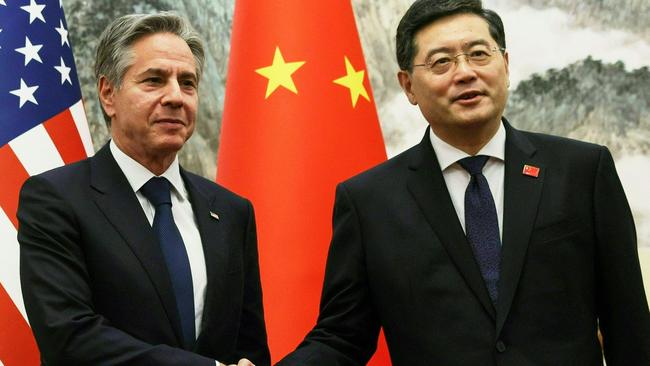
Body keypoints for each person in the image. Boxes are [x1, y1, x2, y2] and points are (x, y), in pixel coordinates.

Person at [278, 0, 650, 364]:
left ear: (505, 64)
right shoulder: (369, 201)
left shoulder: (582, 170)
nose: (465, 72)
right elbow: (342, 337)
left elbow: (628, 323)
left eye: (478, 54)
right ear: (408, 86)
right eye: (441, 62)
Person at [18, 12, 269, 366]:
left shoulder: (230, 211)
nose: (175, 97)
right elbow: (69, 336)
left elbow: (249, 345)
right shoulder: (56, 199)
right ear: (108, 94)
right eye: (154, 80)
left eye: (188, 83)